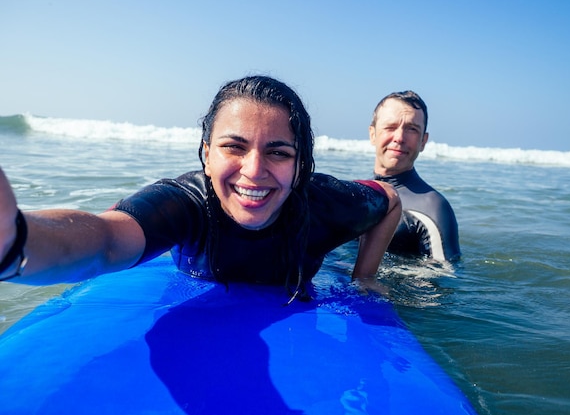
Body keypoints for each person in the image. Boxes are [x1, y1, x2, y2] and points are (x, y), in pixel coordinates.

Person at [0, 76, 400, 301]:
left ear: (299, 167)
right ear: (206, 155)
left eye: (278, 152)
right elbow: (105, 239)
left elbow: (390, 201)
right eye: (234, 147)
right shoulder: (185, 205)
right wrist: (14, 240)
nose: (254, 170)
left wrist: (364, 277)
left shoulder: (326, 204)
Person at [368, 90, 461, 261]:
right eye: (390, 127)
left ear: (423, 141)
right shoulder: (358, 194)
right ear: (373, 134)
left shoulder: (432, 207)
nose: (399, 137)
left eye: (411, 129)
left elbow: (446, 279)